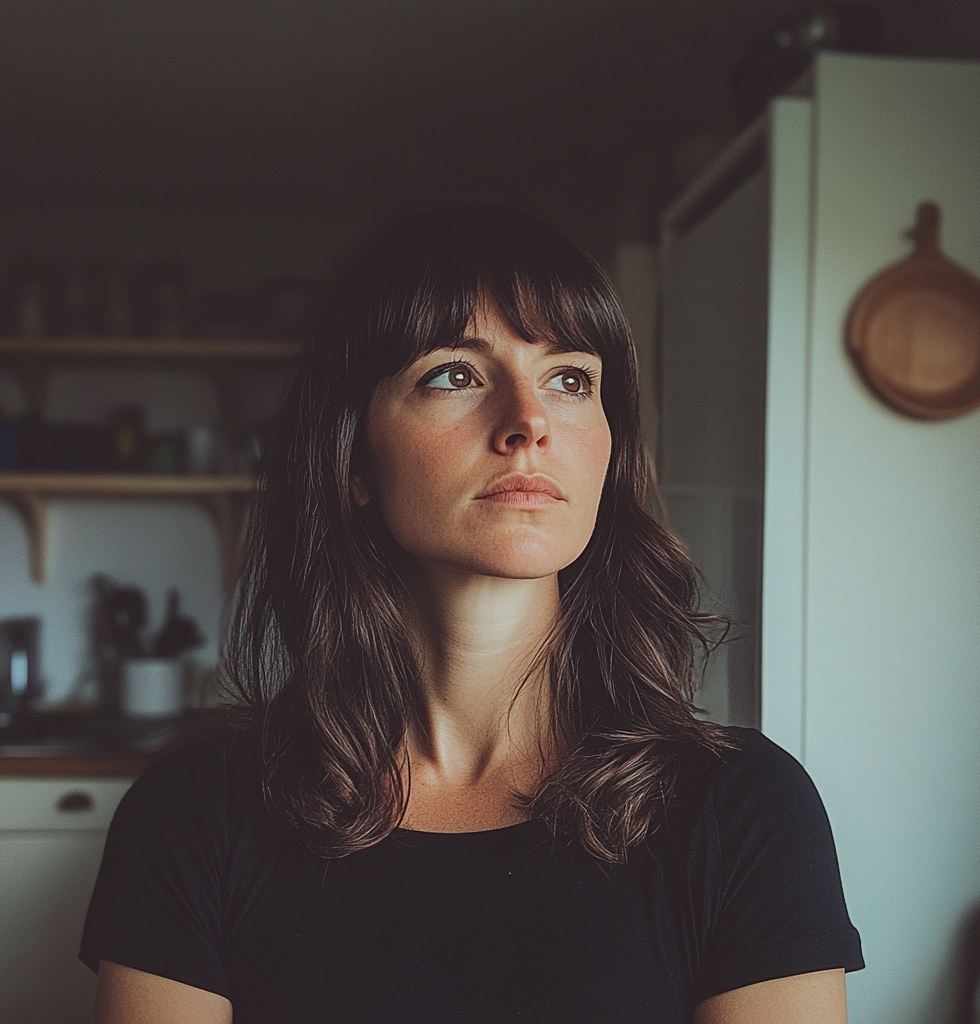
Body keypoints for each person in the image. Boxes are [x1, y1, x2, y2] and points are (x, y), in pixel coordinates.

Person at [80, 207, 864, 1024]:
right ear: (353, 461)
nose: (530, 423)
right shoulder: (195, 814)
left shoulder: (744, 809)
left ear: (607, 450)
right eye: (453, 374)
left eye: (571, 379)